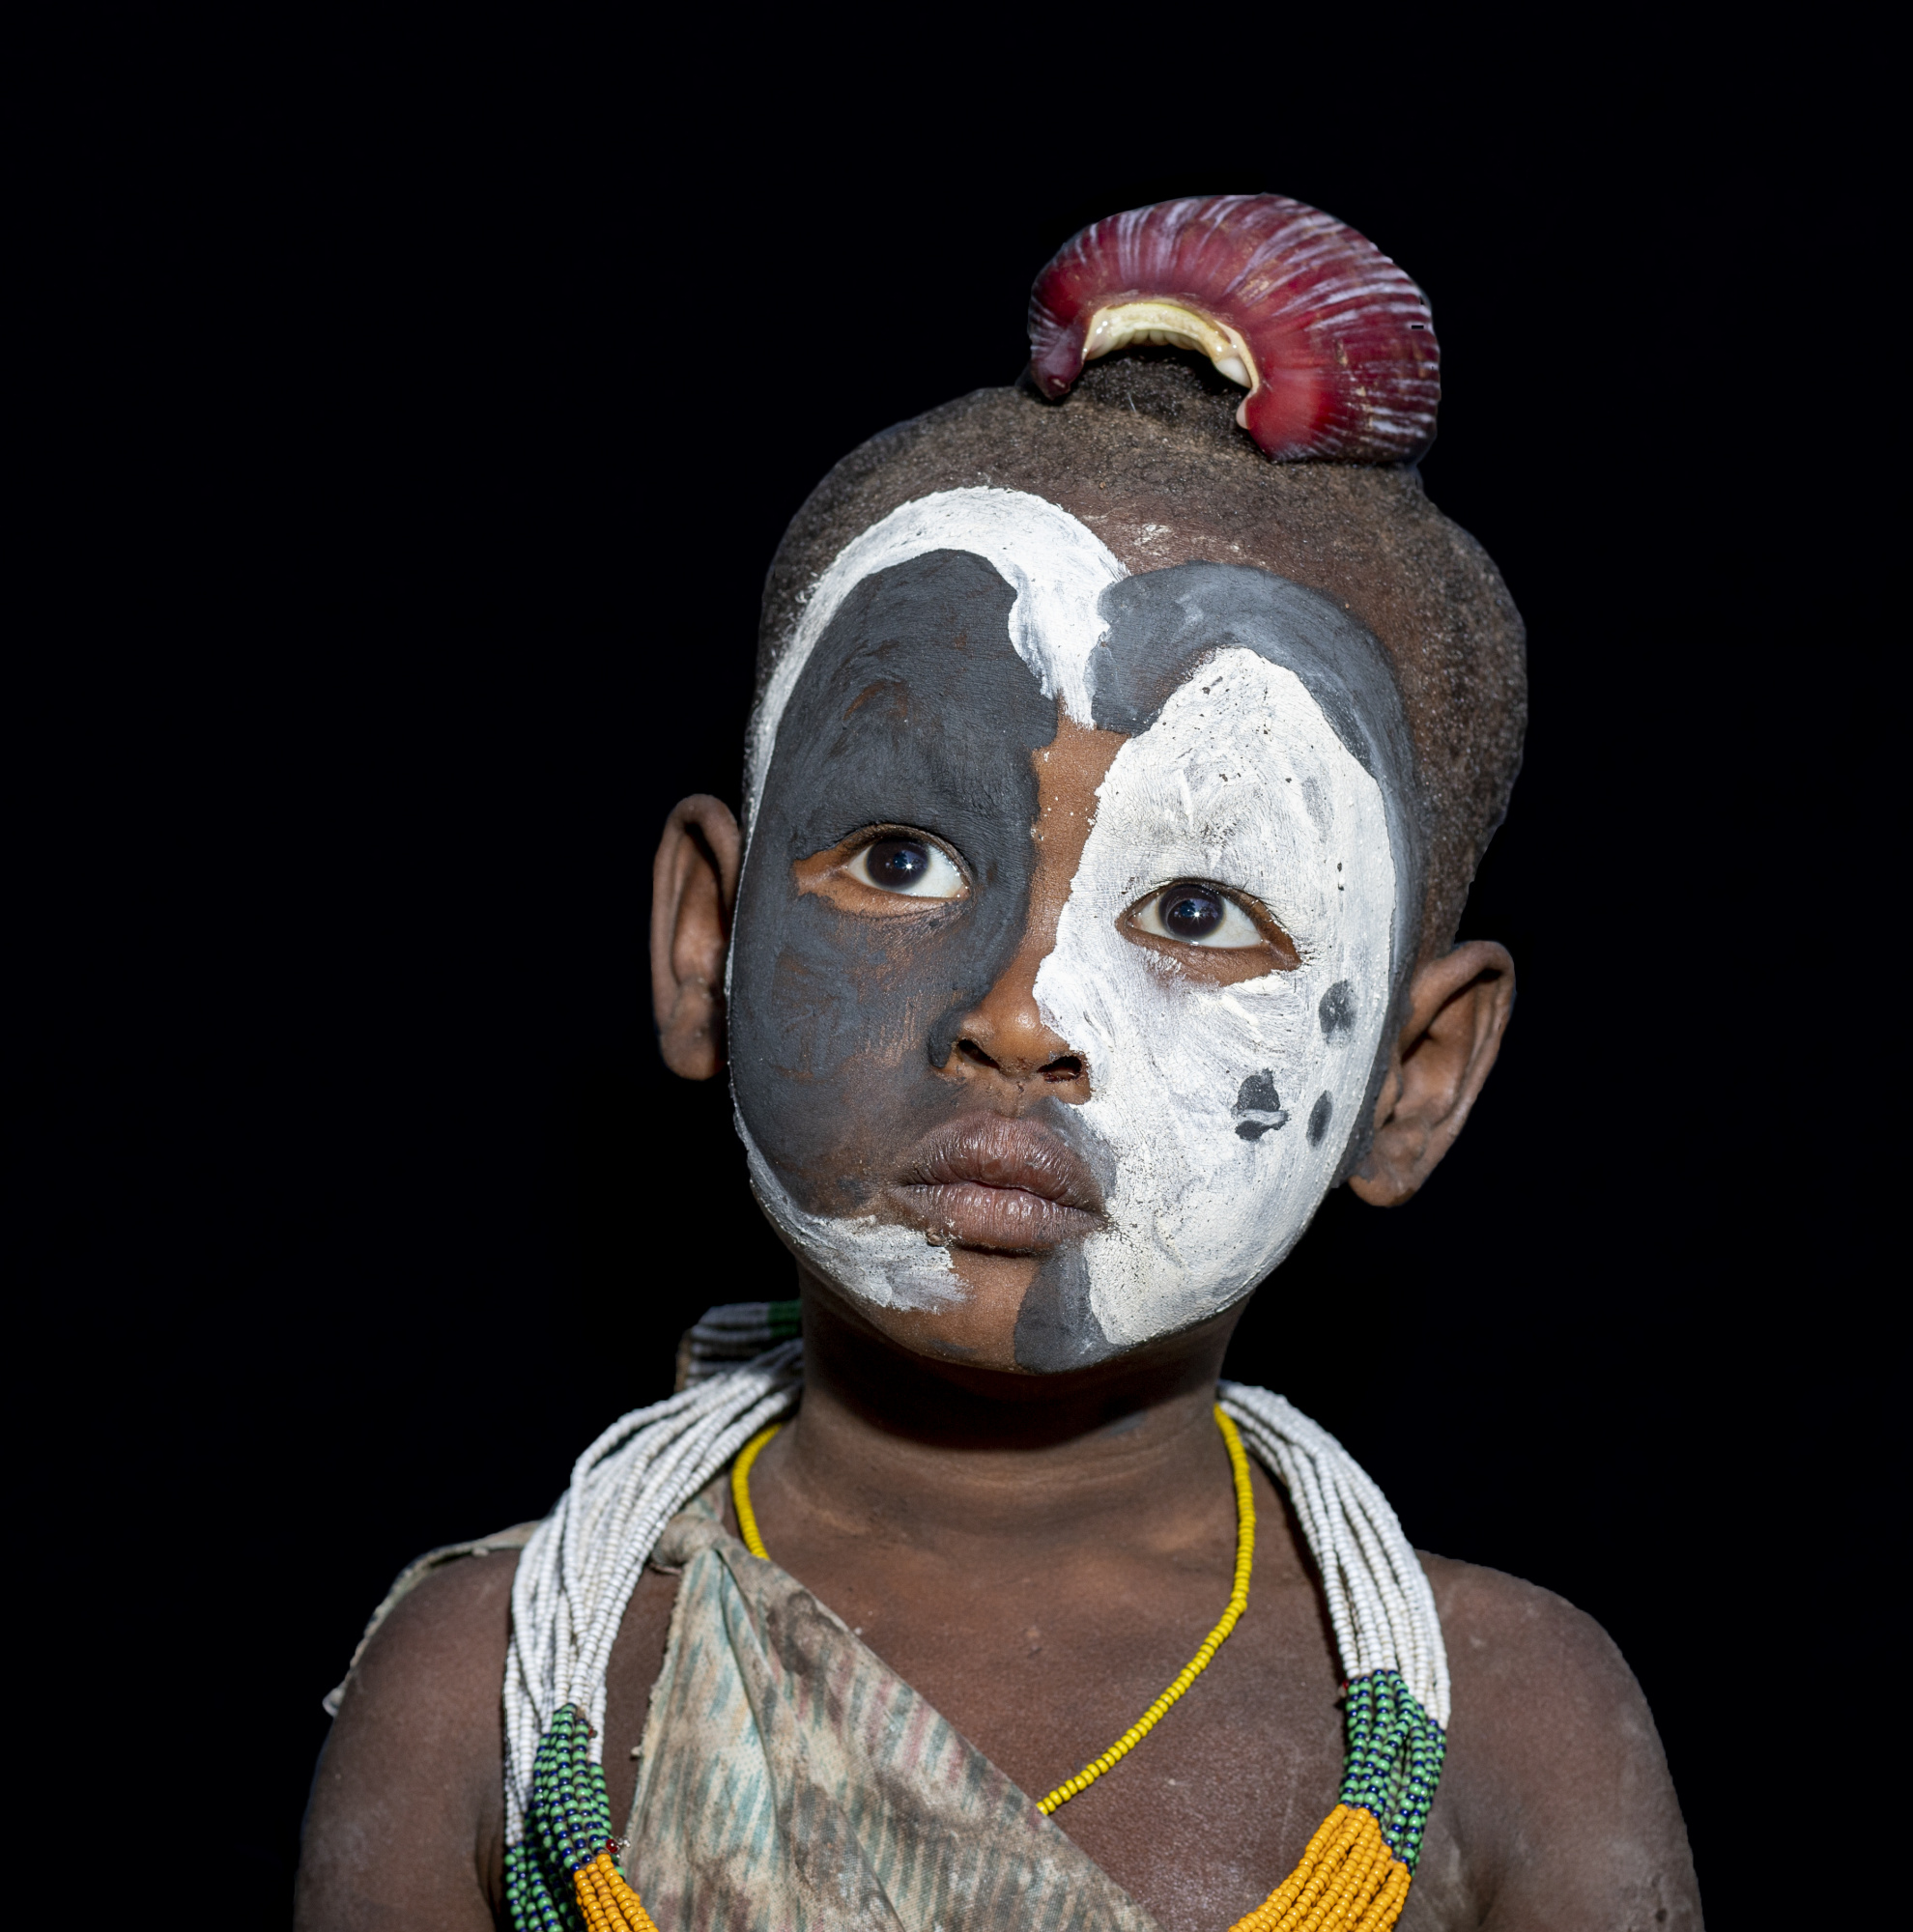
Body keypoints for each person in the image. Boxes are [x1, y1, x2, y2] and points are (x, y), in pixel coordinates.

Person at [295, 194, 1701, 1930]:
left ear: (1415, 1077)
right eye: (901, 861)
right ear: (705, 940)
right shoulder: (500, 1692)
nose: (1023, 1013)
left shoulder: (1513, 1731)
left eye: (1199, 912)